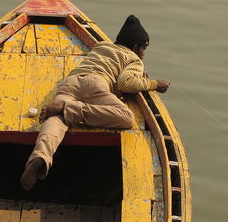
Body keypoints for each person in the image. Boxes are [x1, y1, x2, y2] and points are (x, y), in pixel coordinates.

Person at [20, 15, 170, 190]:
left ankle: (41, 157)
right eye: (144, 50)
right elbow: (125, 83)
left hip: (71, 81)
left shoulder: (101, 47)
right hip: (96, 84)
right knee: (126, 117)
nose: (143, 55)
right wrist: (154, 84)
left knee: (56, 120)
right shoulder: (134, 59)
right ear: (136, 47)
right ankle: (69, 108)